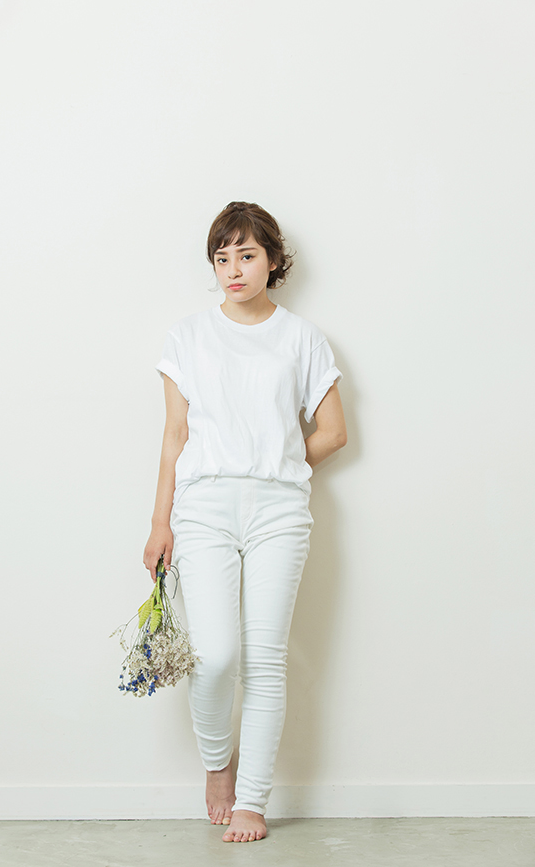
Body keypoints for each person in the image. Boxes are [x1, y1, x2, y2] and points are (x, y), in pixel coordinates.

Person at [143, 201, 347, 843]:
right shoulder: (188, 336)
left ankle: (252, 801)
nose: (233, 269)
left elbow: (334, 432)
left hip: (278, 511)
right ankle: (217, 765)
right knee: (216, 654)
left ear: (273, 261)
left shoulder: (302, 338)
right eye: (222, 257)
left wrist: (277, 463)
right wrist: (159, 523)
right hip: (202, 509)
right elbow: (174, 436)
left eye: (247, 255)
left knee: (265, 661)